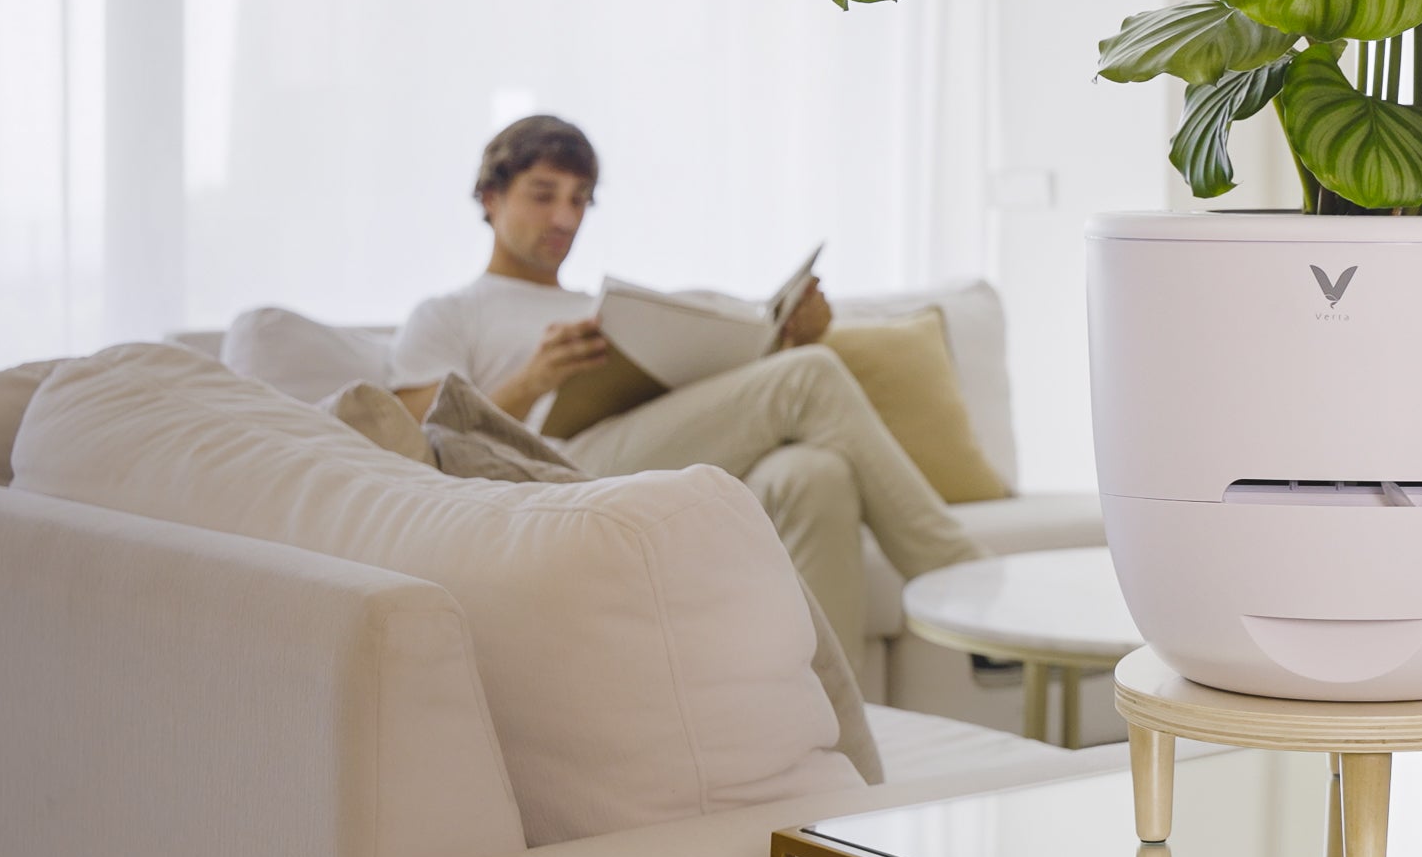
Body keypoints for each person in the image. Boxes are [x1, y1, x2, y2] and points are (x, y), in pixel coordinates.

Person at [390, 115, 982, 637]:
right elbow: (415, 442)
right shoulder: (449, 312)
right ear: (490, 197)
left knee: (815, 473)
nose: (564, 217)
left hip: (655, 454)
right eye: (544, 195)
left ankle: (835, 728)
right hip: (558, 473)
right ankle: (969, 586)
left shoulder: (596, 308)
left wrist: (791, 336)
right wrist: (533, 380)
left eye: (579, 200)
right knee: (810, 377)